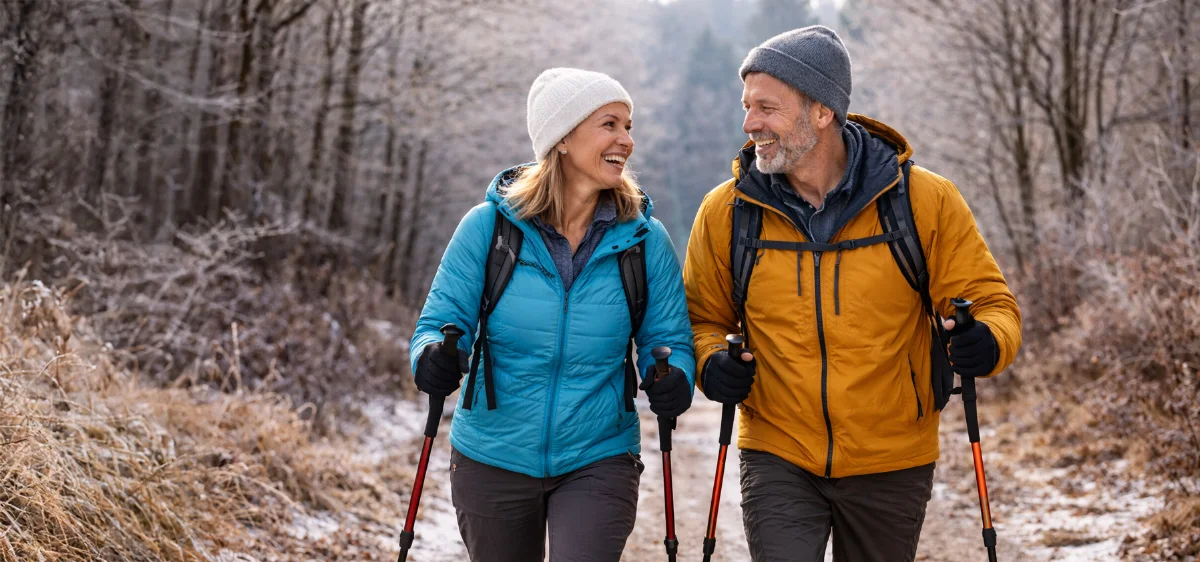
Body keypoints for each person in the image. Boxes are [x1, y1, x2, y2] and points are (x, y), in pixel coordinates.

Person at [683, 26, 1023, 562]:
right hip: (777, 450)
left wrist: (988, 341)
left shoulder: (922, 201)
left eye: (767, 108)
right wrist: (710, 363)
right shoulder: (727, 212)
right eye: (747, 107)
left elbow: (991, 304)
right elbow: (703, 317)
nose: (750, 125)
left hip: (893, 457)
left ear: (821, 112)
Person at [409, 67, 695, 562]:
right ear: (563, 138)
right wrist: (432, 356)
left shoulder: (644, 240)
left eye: (629, 126)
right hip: (492, 454)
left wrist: (674, 377)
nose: (626, 140)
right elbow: (436, 322)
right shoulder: (489, 230)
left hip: (599, 454)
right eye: (610, 124)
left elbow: (669, 340)